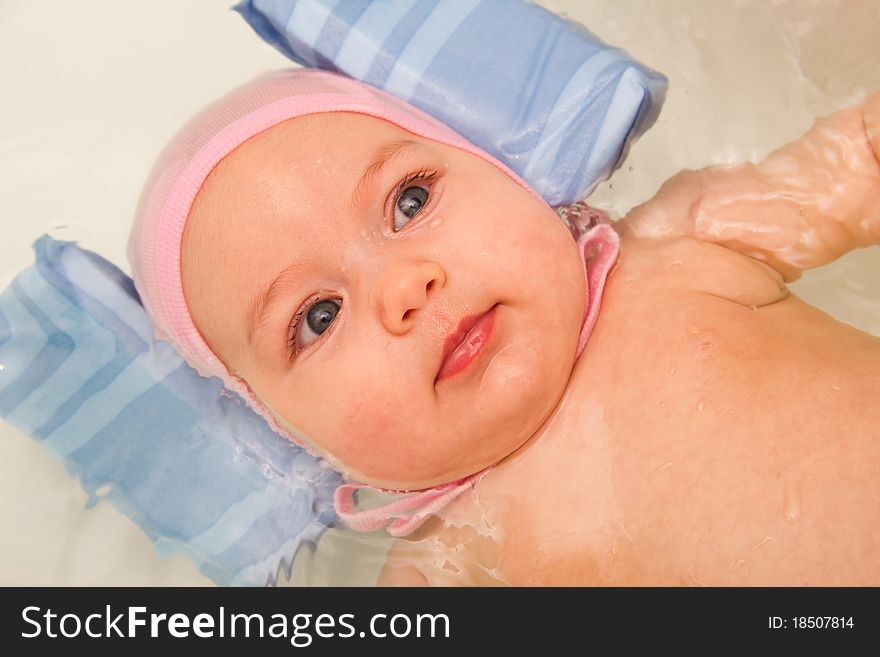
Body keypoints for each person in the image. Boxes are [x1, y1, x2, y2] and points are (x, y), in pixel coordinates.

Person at [128, 69, 880, 585]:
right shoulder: (442, 561)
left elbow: (860, 161)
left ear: (507, 172)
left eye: (410, 200)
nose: (404, 287)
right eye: (318, 317)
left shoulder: (682, 245)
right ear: (286, 429)